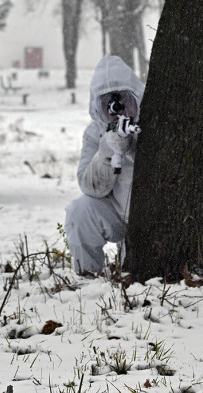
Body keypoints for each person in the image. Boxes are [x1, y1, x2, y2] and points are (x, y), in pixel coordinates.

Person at [64, 55, 144, 276]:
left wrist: (133, 149)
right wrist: (107, 152)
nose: (117, 109)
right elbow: (90, 187)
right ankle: (86, 275)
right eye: (107, 103)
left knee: (136, 271)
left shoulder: (153, 124)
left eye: (124, 100)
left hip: (150, 214)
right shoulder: (94, 133)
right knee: (80, 211)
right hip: (116, 212)